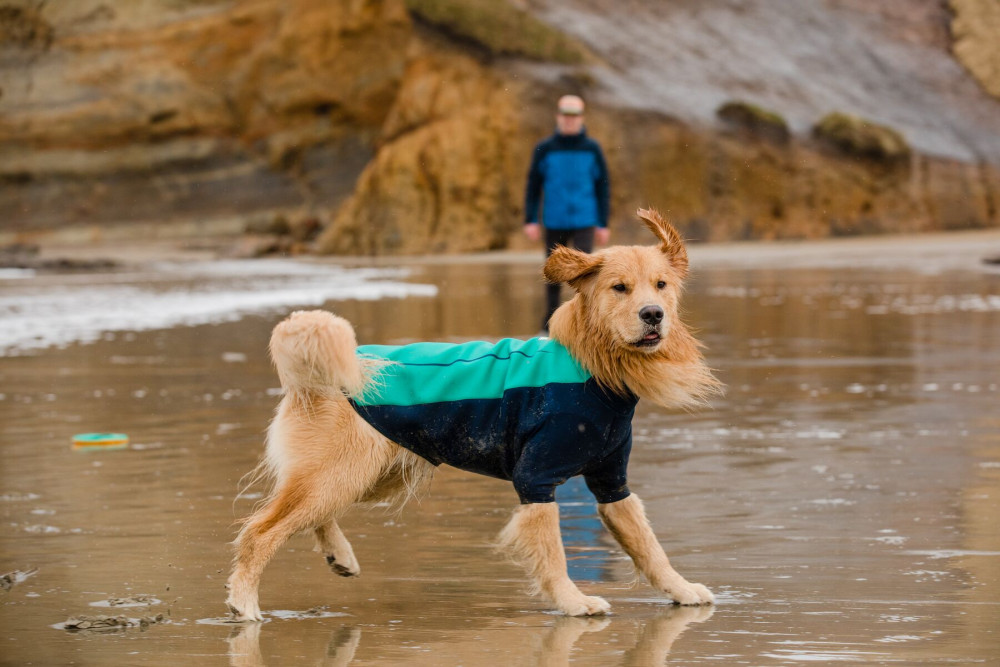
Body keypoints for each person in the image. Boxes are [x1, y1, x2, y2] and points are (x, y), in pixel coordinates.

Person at [524, 95, 610, 332]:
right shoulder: (544, 148)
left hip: (585, 218)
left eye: (574, 116)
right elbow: (533, 185)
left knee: (585, 274)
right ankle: (550, 324)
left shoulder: (592, 149)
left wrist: (603, 223)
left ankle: (585, 322)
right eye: (565, 115)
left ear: (581, 118)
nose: (569, 121)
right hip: (554, 218)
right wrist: (530, 219)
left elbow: (602, 186)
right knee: (553, 274)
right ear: (558, 117)